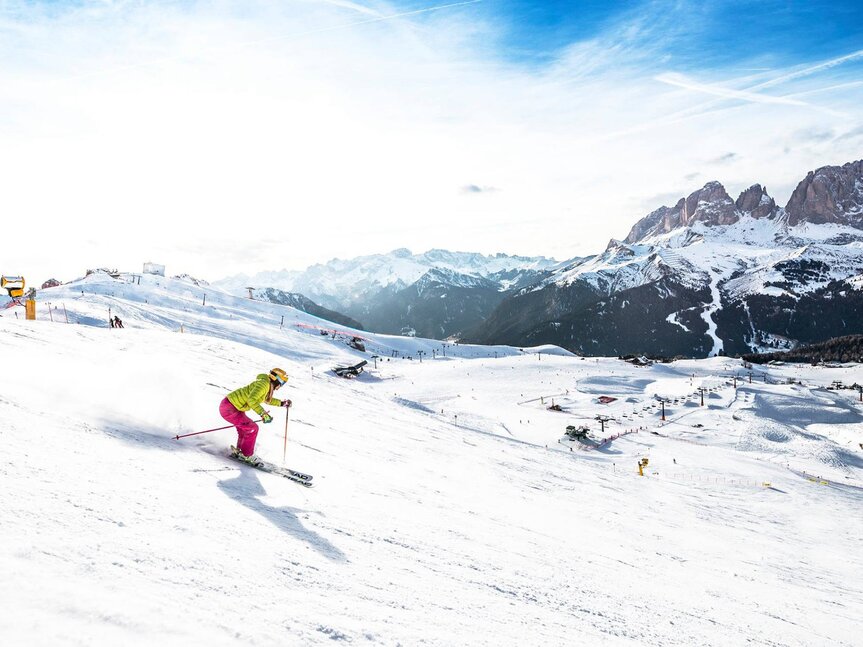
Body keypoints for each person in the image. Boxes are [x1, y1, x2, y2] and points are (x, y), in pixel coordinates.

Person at [220, 368, 292, 465]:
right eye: (282, 382)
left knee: (245, 429)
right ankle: (247, 455)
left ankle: (241, 451)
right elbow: (252, 400)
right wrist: (263, 413)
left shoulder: (266, 384)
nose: (281, 385)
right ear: (276, 379)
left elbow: (267, 399)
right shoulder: (264, 384)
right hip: (230, 407)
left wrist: (282, 403)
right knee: (252, 428)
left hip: (234, 406)